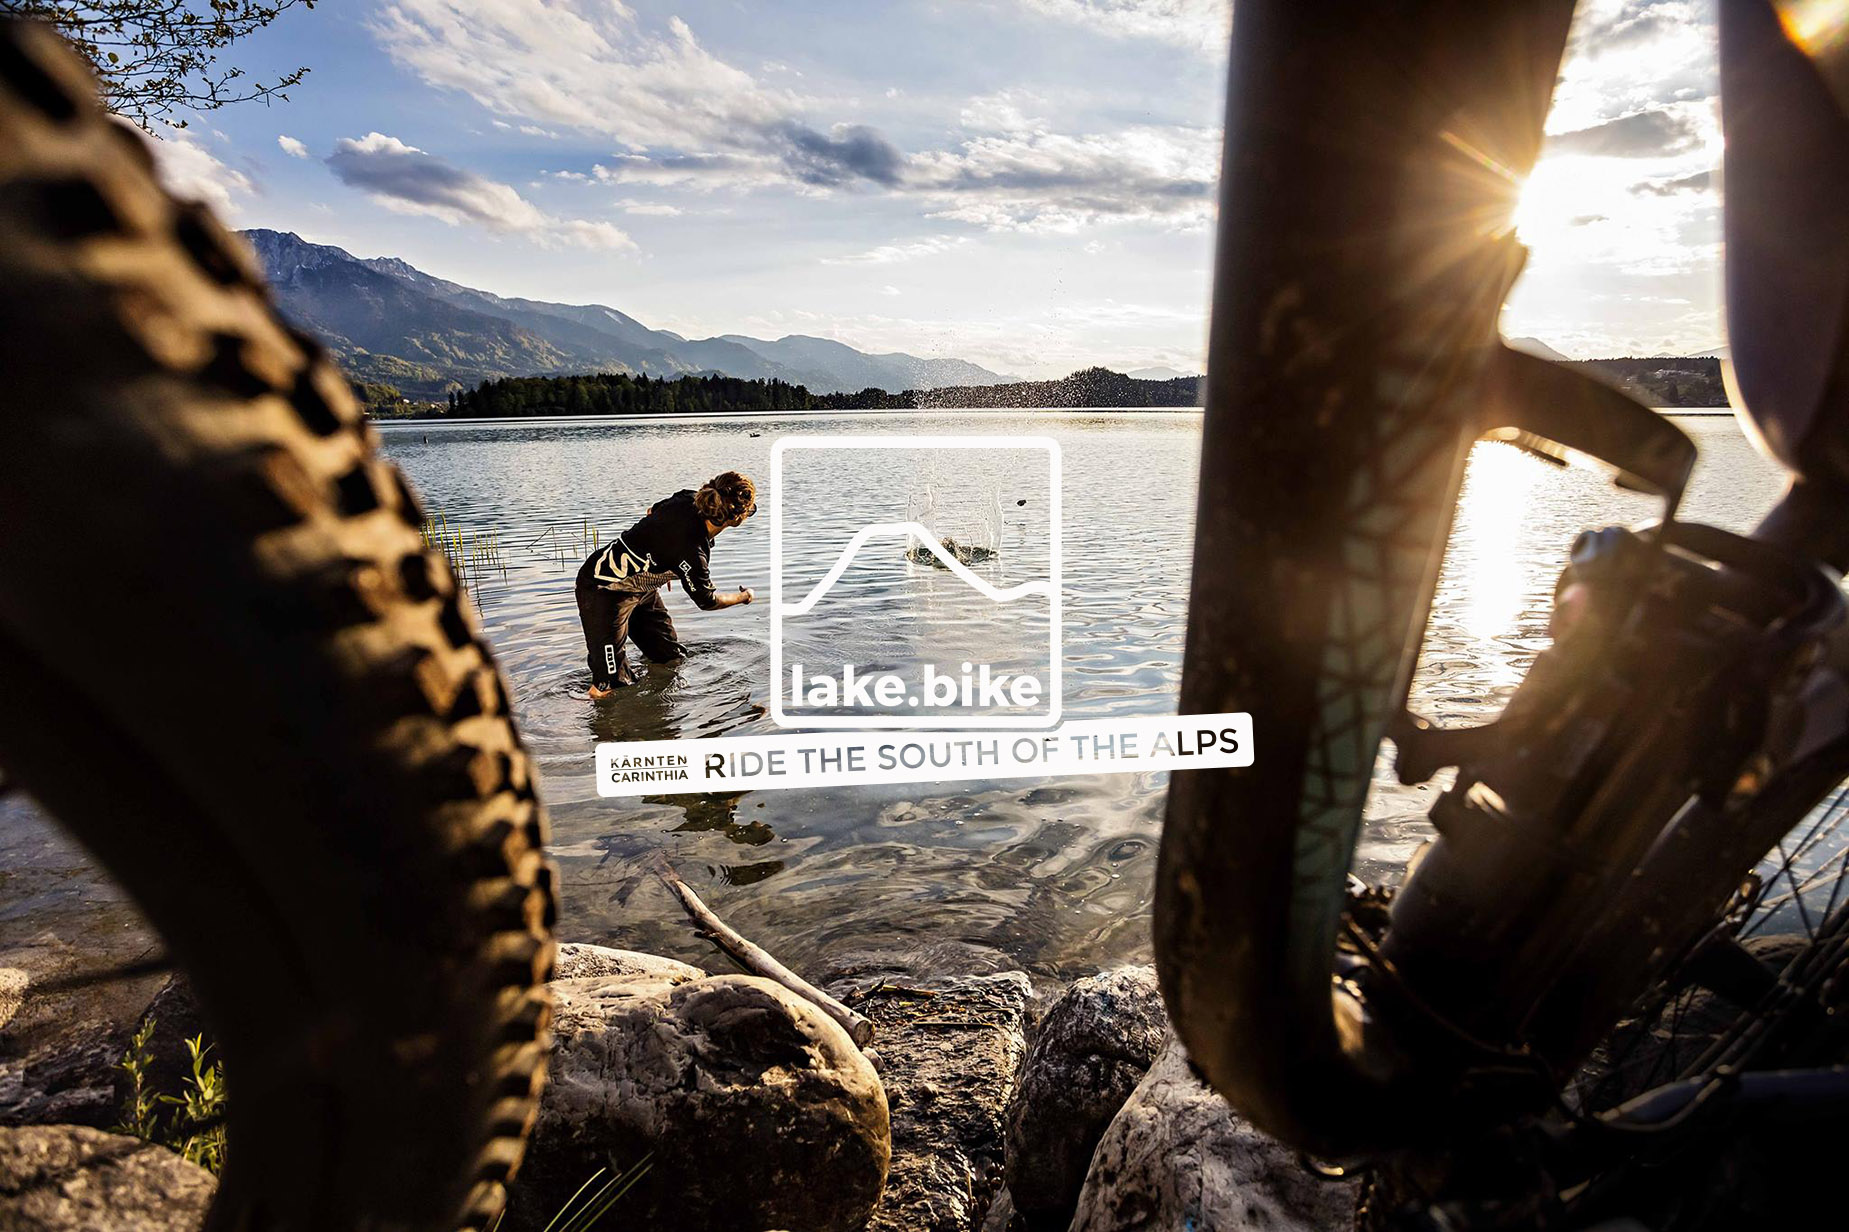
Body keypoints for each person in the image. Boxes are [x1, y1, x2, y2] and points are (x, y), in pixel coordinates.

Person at [575, 470, 757, 698]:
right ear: (737, 518)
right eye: (752, 510)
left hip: (643, 587)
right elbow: (708, 602)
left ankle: (653, 719)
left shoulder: (688, 498)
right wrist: (744, 596)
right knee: (608, 686)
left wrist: (660, 560)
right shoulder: (693, 552)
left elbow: (653, 511)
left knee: (670, 658)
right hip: (602, 589)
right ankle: (578, 722)